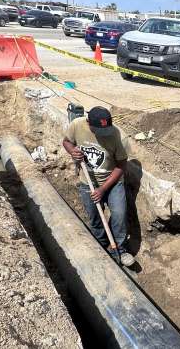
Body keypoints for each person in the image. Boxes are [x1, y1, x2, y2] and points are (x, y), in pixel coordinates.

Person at [62, 106, 135, 267]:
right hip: (87, 181)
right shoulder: (77, 125)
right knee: (94, 216)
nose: (104, 135)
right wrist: (72, 151)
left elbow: (121, 166)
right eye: (99, 131)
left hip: (113, 182)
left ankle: (120, 248)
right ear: (89, 123)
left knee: (119, 215)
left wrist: (102, 189)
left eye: (106, 130)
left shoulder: (118, 136)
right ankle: (100, 243)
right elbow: (66, 142)